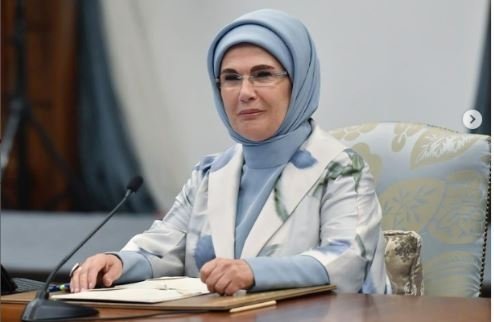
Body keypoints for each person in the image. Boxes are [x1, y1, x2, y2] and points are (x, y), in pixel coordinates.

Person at [70, 9, 391, 296]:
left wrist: (254, 272)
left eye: (263, 74)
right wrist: (116, 262)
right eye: (230, 78)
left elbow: (346, 261)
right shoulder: (209, 174)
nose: (245, 93)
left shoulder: (340, 168)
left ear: (300, 81)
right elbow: (163, 250)